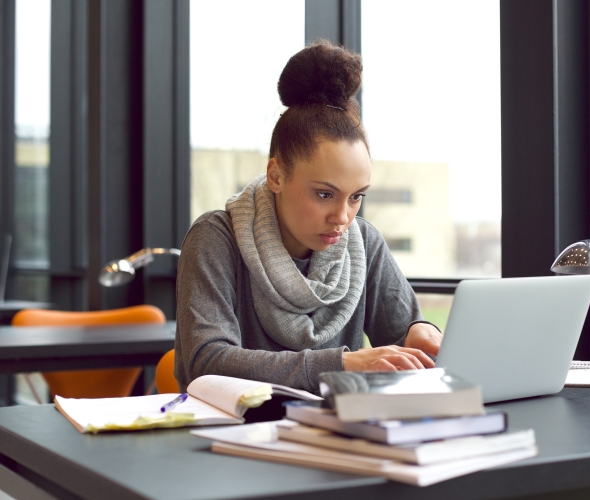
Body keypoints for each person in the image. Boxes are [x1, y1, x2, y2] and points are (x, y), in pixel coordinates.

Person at [174, 41, 442, 393]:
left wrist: (421, 333)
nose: (342, 217)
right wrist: (341, 364)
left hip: (336, 432)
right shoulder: (216, 237)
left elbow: (403, 337)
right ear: (276, 176)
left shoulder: (363, 242)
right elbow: (206, 363)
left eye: (356, 197)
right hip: (234, 434)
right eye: (324, 194)